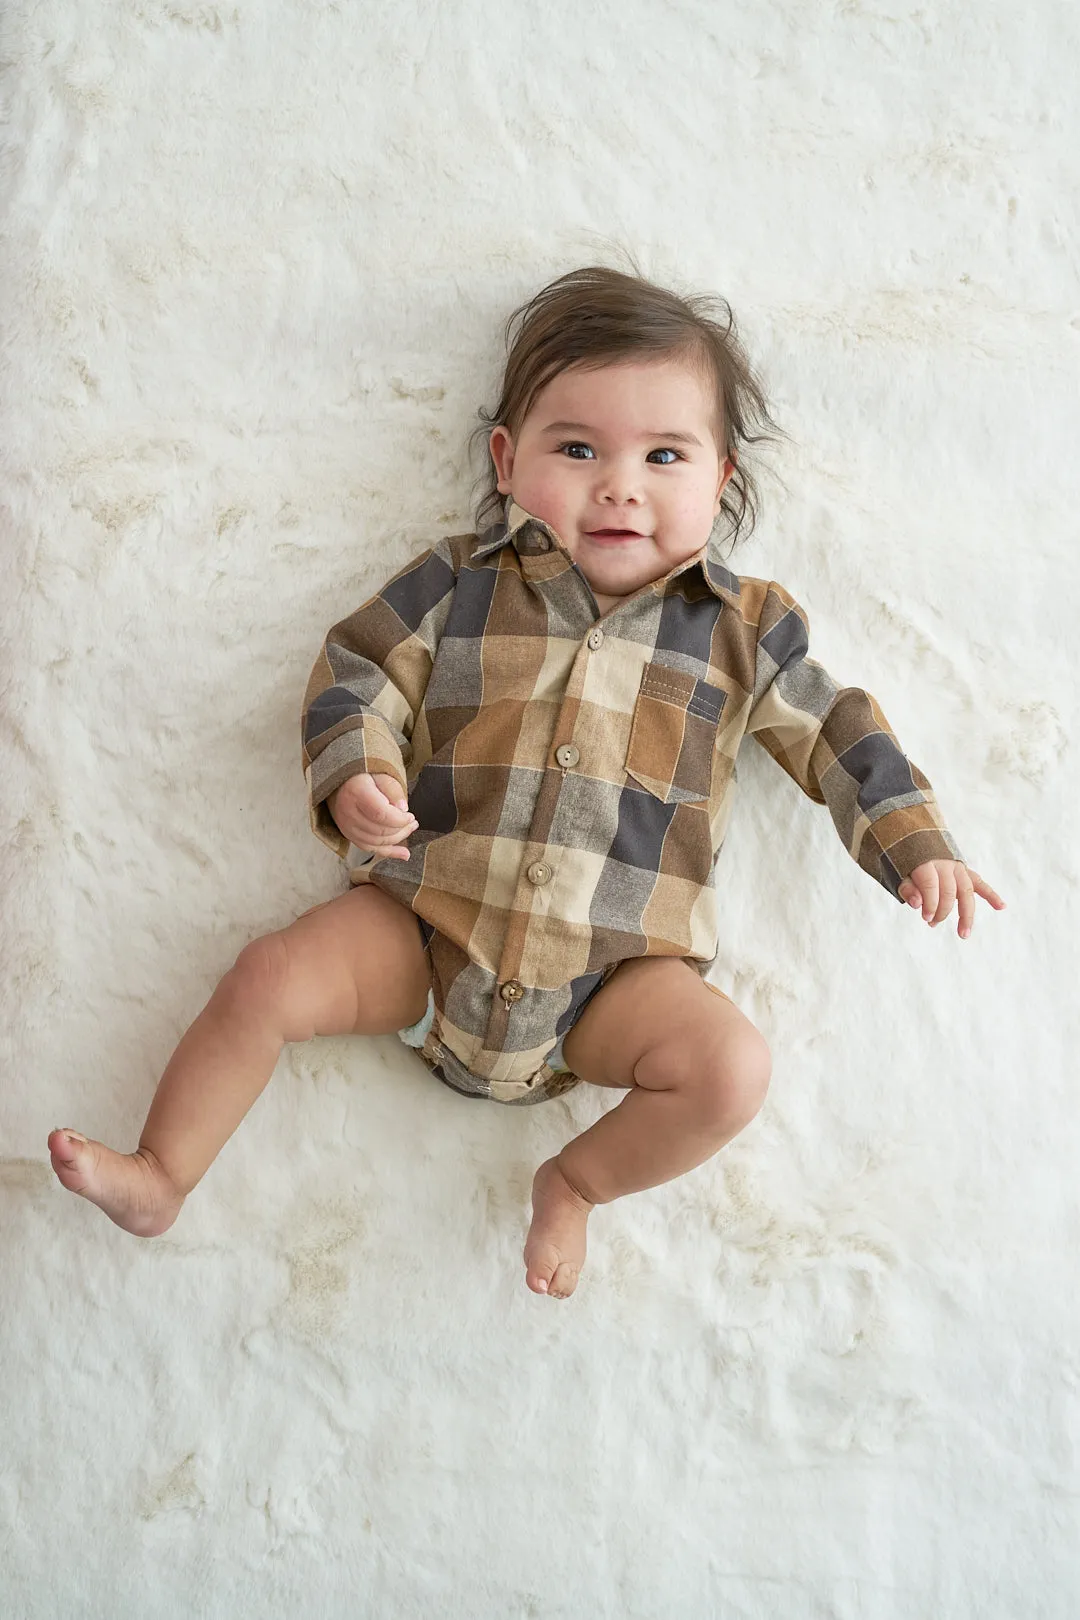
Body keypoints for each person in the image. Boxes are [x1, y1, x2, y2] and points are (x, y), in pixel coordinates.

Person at [48, 265, 1005, 1299]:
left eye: (664, 455)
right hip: (427, 931)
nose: (620, 484)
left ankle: (577, 1183)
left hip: (613, 984)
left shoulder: (742, 628)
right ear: (509, 460)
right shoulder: (460, 584)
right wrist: (357, 776)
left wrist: (915, 837)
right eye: (578, 448)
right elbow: (357, 672)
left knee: (732, 1071)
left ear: (720, 480)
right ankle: (162, 1173)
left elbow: (836, 731)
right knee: (267, 977)